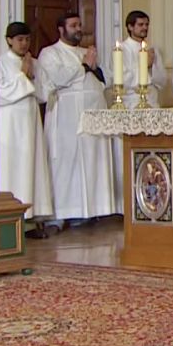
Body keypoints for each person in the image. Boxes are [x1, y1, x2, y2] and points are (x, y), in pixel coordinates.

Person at [36, 13, 120, 225]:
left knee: (95, 160)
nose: (79, 29)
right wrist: (84, 66)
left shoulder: (87, 52)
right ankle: (66, 212)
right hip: (67, 117)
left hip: (94, 113)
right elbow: (59, 78)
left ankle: (94, 210)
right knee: (69, 162)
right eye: (73, 25)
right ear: (61, 29)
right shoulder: (49, 53)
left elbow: (106, 79)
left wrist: (94, 67)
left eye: (80, 25)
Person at [0, 21, 54, 227]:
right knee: (14, 165)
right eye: (20, 40)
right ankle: (9, 212)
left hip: (30, 120)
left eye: (27, 39)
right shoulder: (1, 63)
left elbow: (45, 92)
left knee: (32, 163)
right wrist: (23, 76)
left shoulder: (35, 62)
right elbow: (0, 94)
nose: (24, 44)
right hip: (10, 123)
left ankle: (32, 216)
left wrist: (31, 76)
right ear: (9, 40)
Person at [121, 10, 167, 109]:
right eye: (141, 24)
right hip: (132, 103)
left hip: (152, 101)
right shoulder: (122, 49)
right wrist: (144, 66)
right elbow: (123, 79)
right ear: (130, 27)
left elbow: (162, 81)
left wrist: (151, 68)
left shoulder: (152, 49)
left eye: (147, 24)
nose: (145, 28)